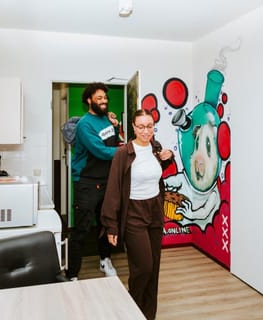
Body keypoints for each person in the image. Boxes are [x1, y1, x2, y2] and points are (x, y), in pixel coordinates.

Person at [101, 109, 174, 320]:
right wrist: (111, 225)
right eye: (141, 126)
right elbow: (113, 190)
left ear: (153, 127)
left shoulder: (155, 148)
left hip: (155, 211)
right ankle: (132, 310)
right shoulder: (123, 153)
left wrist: (167, 158)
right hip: (133, 213)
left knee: (154, 267)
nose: (145, 131)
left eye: (149, 126)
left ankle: (148, 314)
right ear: (133, 127)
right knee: (143, 266)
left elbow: (155, 172)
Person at [66, 82, 120, 280]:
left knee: (106, 224)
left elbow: (112, 142)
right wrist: (126, 151)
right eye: (99, 98)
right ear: (89, 100)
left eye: (105, 98)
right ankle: (72, 274)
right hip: (86, 182)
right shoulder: (84, 125)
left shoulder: (106, 119)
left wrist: (115, 125)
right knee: (81, 229)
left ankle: (105, 260)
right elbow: (102, 151)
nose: (104, 101)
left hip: (106, 181)